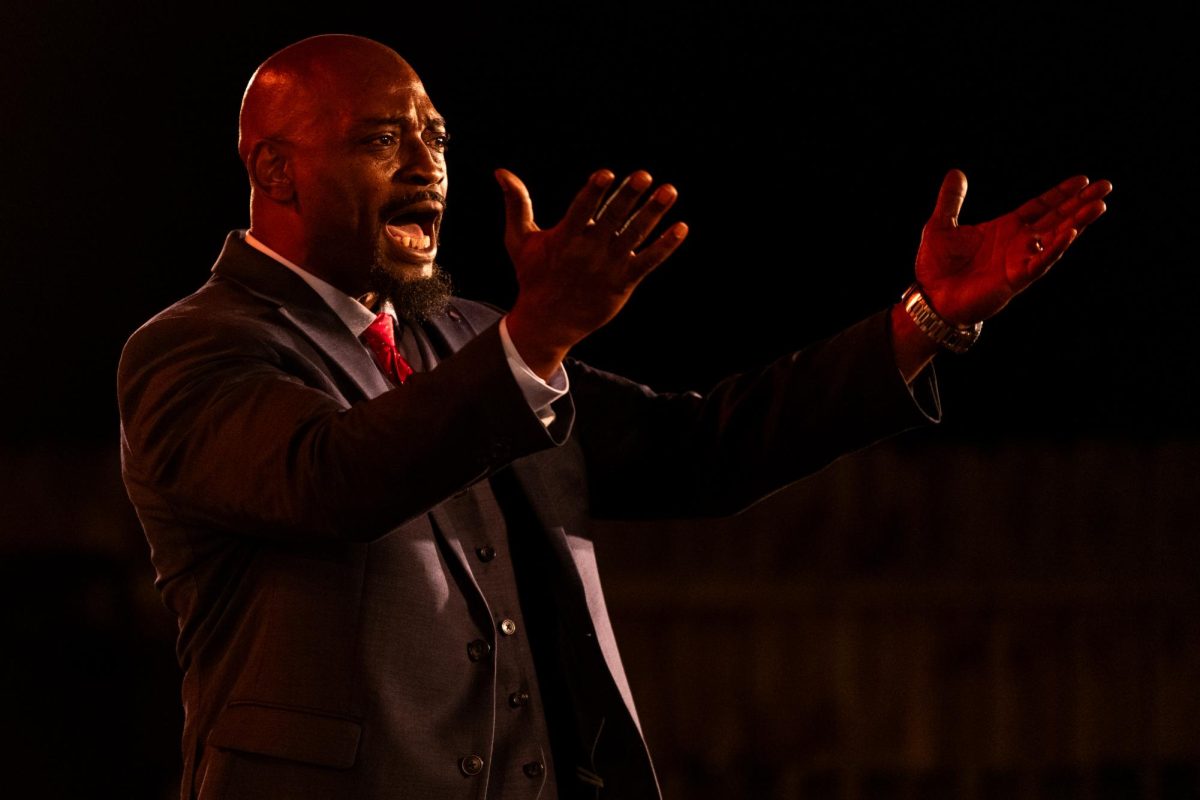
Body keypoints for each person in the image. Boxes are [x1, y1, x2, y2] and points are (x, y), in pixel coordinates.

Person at [117, 33, 1110, 800]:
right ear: (277, 170)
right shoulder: (195, 349)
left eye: (436, 138)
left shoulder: (468, 338)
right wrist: (534, 337)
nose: (429, 166)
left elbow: (701, 449)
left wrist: (923, 318)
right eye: (385, 139)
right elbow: (329, 477)